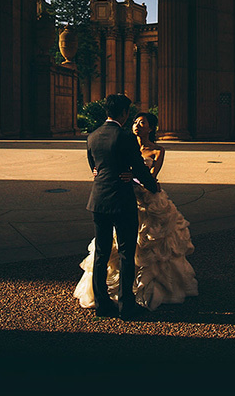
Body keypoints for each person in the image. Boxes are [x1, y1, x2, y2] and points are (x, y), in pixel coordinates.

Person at [74, 110, 198, 313]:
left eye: (142, 123)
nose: (137, 125)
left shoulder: (157, 150)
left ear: (151, 128)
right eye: (135, 121)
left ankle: (139, 290)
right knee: (118, 249)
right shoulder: (123, 140)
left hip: (145, 198)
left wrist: (133, 176)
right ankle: (117, 295)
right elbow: (104, 161)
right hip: (120, 196)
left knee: (145, 245)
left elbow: (149, 175)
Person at [77, 94, 159, 319]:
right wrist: (153, 187)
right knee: (126, 253)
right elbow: (141, 169)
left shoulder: (92, 136)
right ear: (124, 113)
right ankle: (126, 306)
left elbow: (94, 166)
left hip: (98, 200)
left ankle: (102, 305)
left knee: (102, 253)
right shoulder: (125, 137)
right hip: (121, 200)